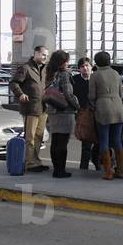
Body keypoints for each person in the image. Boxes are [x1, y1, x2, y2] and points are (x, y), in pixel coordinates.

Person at [10, 46, 49, 173]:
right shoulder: (26, 68)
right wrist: (20, 94)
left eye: (46, 55)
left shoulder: (43, 69)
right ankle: (30, 163)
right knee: (30, 137)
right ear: (36, 53)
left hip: (42, 108)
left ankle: (36, 161)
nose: (45, 57)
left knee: (39, 137)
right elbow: (13, 83)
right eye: (43, 54)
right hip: (30, 108)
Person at [88, 51, 123, 181]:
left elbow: (92, 96)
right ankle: (120, 171)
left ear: (96, 62)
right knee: (117, 140)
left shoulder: (95, 75)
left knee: (104, 140)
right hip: (118, 108)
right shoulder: (116, 74)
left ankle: (108, 172)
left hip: (103, 108)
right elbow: (121, 94)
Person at [44, 50, 78, 179]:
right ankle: (60, 170)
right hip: (64, 111)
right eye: (66, 61)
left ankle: (56, 169)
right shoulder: (64, 75)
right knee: (63, 142)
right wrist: (77, 106)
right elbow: (68, 94)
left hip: (52, 111)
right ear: (61, 62)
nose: (68, 63)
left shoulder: (49, 74)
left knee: (55, 141)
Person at [71, 57, 100, 171]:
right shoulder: (75, 80)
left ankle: (99, 165)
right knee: (86, 143)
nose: (85, 68)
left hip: (97, 114)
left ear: (91, 67)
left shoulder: (96, 79)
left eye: (87, 65)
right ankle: (84, 168)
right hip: (83, 114)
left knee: (99, 142)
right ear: (79, 68)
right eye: (82, 66)